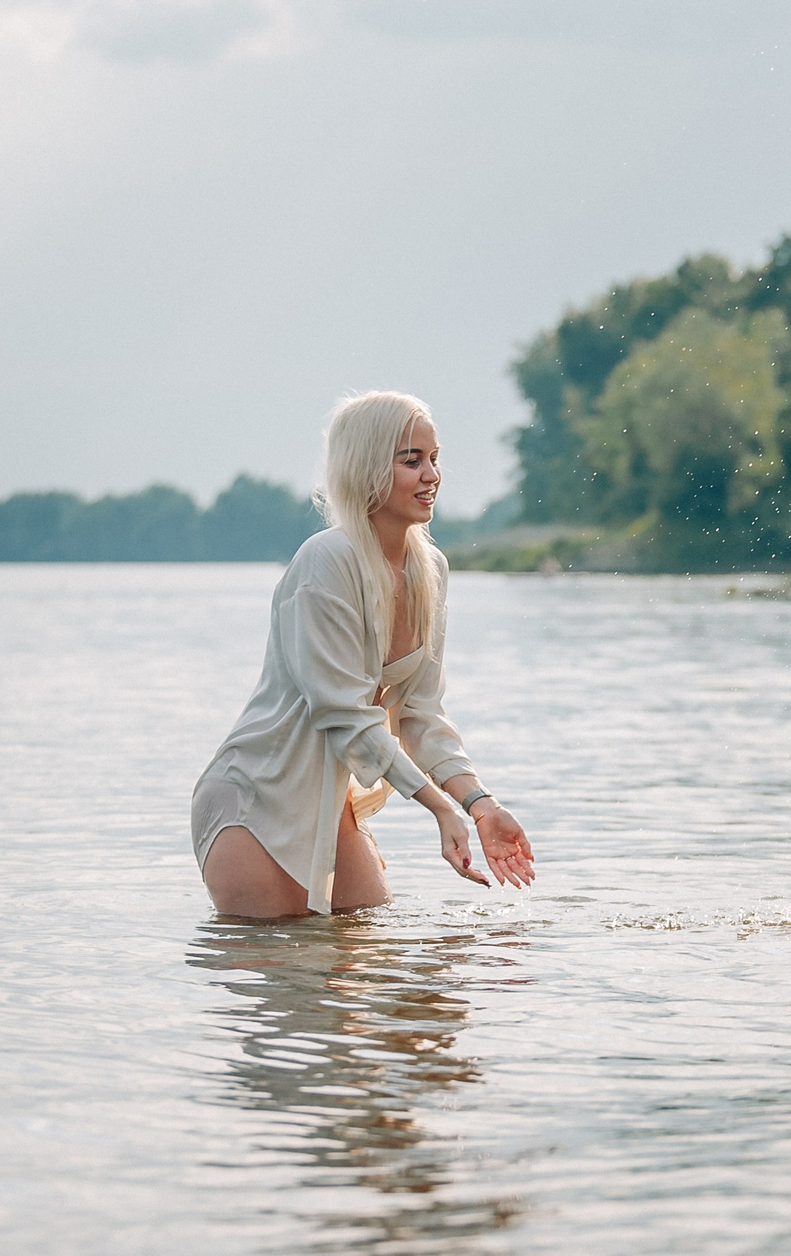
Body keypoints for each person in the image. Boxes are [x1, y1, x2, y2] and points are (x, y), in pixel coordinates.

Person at [191, 391, 534, 918]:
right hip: (254, 797)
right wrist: (440, 809)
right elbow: (344, 715)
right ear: (368, 467)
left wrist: (480, 806)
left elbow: (421, 715)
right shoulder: (326, 561)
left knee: (372, 960)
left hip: (331, 806)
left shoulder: (431, 570)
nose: (431, 476)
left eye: (435, 459)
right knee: (290, 974)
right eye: (411, 460)